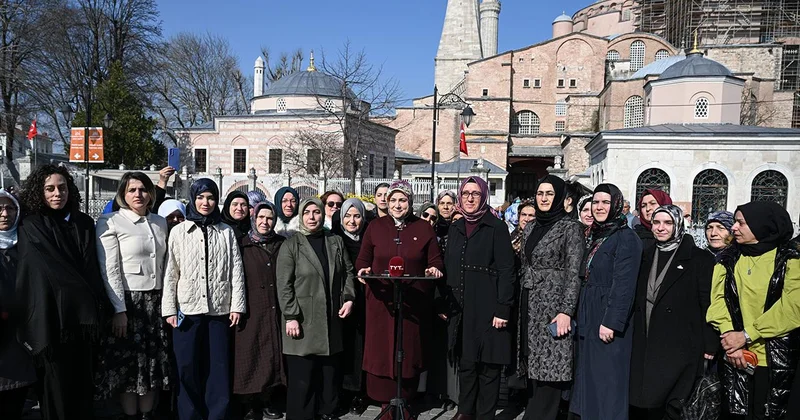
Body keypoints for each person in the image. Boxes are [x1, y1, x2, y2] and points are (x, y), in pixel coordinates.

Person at [16, 165, 110, 419]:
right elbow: (40, 272)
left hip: (83, 323)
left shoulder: (84, 223)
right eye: (50, 189)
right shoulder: (31, 226)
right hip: (50, 323)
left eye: (62, 187)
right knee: (56, 392)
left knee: (82, 390)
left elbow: (93, 268)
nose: (57, 194)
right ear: (40, 192)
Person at [706, 202, 800, 420]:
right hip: (735, 357)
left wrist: (747, 334)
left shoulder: (790, 259)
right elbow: (718, 301)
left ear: (762, 226)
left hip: (776, 360)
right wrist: (731, 339)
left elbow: (792, 308)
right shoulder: (728, 258)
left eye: (741, 223)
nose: (734, 228)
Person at [162, 178, 246, 420]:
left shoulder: (226, 231)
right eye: (200, 197)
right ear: (193, 199)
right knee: (186, 366)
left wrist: (237, 305)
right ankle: (189, 415)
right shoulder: (180, 231)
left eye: (210, 197)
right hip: (187, 309)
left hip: (219, 309)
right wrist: (169, 309)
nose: (205, 202)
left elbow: (236, 270)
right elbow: (171, 272)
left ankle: (217, 414)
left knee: (217, 367)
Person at [355, 180, 444, 410]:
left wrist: (433, 269)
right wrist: (363, 270)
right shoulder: (375, 226)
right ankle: (385, 403)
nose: (396, 204)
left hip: (412, 301)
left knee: (409, 350)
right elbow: (363, 260)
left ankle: (406, 400)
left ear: (410, 202)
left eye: (402, 200)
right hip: (381, 302)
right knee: (382, 348)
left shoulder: (423, 228)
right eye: (392, 199)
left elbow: (435, 260)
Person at [95, 172, 171, 420]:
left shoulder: (160, 222)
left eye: (142, 189)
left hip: (155, 302)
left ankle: (147, 415)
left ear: (150, 193)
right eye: (131, 190)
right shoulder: (111, 221)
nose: (138, 195)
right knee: (130, 369)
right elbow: (111, 270)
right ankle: (129, 416)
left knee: (150, 367)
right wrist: (119, 310)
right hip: (128, 303)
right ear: (122, 194)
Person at [629, 205, 717, 419]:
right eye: (656, 223)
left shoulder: (699, 259)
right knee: (648, 402)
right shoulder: (645, 255)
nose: (660, 228)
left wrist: (710, 342)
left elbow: (708, 302)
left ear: (678, 225)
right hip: (648, 337)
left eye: (667, 223)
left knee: (674, 403)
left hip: (681, 341)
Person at [440, 176, 516, 420]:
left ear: (483, 196)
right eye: (465, 193)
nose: (470, 198)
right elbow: (450, 266)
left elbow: (507, 271)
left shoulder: (496, 227)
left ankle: (485, 414)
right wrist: (444, 301)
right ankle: (465, 411)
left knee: (489, 367)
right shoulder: (456, 227)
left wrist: (503, 309)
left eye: (475, 193)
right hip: (462, 307)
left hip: (488, 307)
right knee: (467, 363)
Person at [277, 198, 356, 420]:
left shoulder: (335, 242)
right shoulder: (291, 245)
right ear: (301, 216)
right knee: (303, 379)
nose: (312, 217)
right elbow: (284, 285)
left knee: (329, 377)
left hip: (331, 319)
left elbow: (348, 272)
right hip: (303, 321)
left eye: (317, 212)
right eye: (307, 213)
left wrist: (349, 298)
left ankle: (328, 413)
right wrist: (291, 315)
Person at [512, 176, 584, 420]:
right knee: (534, 368)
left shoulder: (570, 227)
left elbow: (575, 273)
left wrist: (566, 311)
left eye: (549, 194)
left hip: (554, 305)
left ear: (560, 197)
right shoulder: (531, 226)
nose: (543, 198)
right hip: (530, 302)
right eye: (540, 193)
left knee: (551, 370)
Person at [570, 183, 642, 420]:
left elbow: (624, 284)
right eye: (596, 202)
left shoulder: (626, 237)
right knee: (589, 379)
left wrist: (612, 321)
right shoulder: (596, 234)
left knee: (608, 381)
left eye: (605, 202)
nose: (599, 207)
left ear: (617, 205)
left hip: (606, 315)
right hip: (589, 313)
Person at [232, 202, 286, 420]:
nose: (265, 222)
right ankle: (248, 403)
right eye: (261, 218)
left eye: (270, 218)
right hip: (251, 308)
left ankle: (267, 399)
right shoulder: (243, 245)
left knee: (272, 354)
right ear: (254, 219)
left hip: (275, 308)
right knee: (250, 355)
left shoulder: (281, 244)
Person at [331, 198, 370, 414]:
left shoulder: (368, 240)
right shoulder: (335, 241)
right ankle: (341, 391)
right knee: (342, 347)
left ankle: (358, 393)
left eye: (357, 216)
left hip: (365, 301)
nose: (352, 221)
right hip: (341, 301)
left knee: (360, 347)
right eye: (348, 216)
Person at [0, 190, 36, 420]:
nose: (4, 214)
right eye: (0, 209)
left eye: (10, 208)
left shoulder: (27, 245)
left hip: (19, 336)